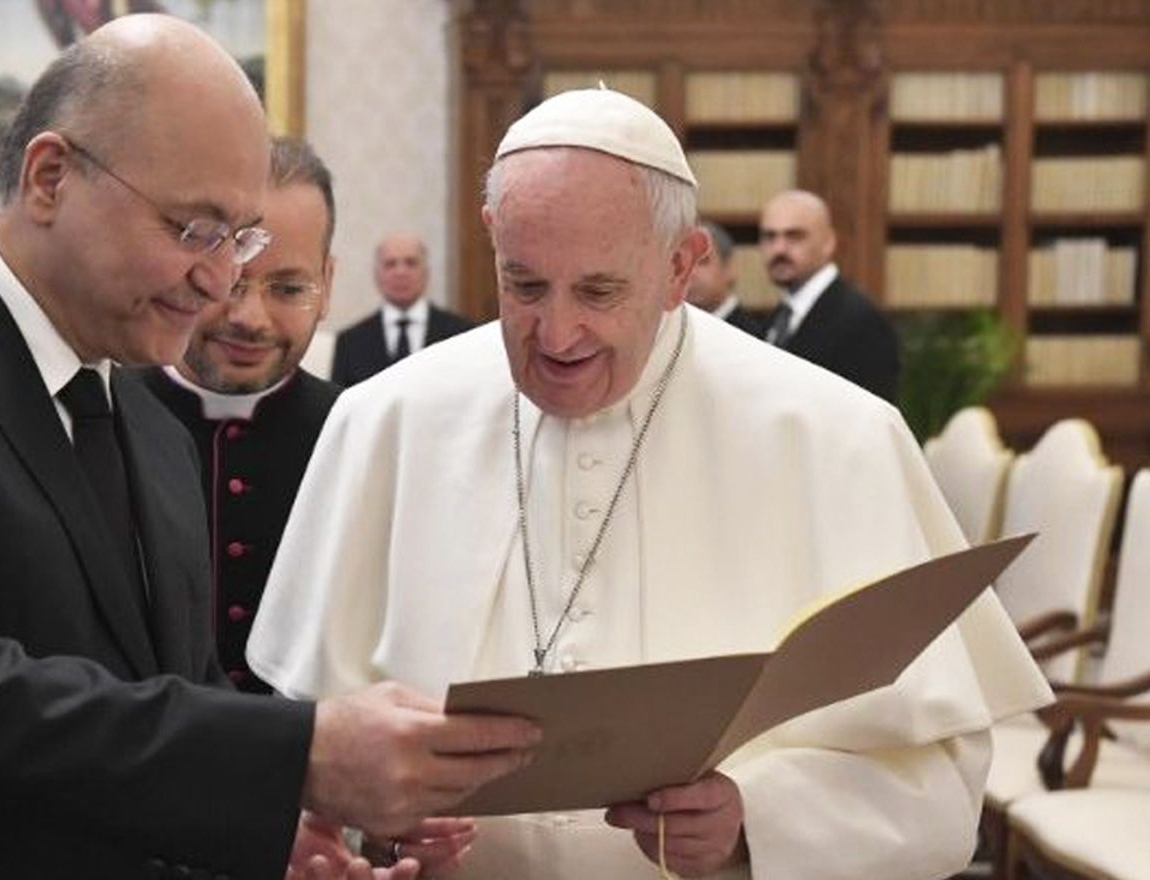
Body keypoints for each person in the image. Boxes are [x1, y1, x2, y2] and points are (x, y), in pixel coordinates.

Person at [0, 17, 536, 880]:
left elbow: (159, 704)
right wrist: (297, 755)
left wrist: (277, 827)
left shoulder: (151, 427)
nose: (221, 279)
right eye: (195, 229)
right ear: (50, 177)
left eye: (242, 239)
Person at [249, 87, 1051, 879]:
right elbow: (302, 750)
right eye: (525, 285)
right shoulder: (384, 419)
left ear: (681, 266)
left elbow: (941, 784)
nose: (556, 334)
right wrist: (371, 830)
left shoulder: (836, 436)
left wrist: (756, 822)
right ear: (493, 238)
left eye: (599, 291)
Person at [136, 136, 340, 694]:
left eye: (289, 288)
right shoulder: (101, 415)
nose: (251, 318)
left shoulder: (359, 432)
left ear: (327, 287)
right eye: (232, 280)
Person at [759, 189, 900, 402]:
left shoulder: (861, 320)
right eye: (770, 237)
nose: (779, 249)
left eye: (794, 236)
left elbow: (869, 416)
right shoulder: (780, 317)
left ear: (828, 243)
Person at [329, 234, 471, 387]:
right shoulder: (349, 343)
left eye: (411, 263)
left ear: (427, 273)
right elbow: (342, 405)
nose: (401, 272)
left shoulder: (462, 334)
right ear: (376, 275)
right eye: (390, 264)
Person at [686, 221, 761, 336]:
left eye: (703, 262)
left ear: (729, 268)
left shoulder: (754, 336)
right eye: (685, 263)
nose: (691, 272)